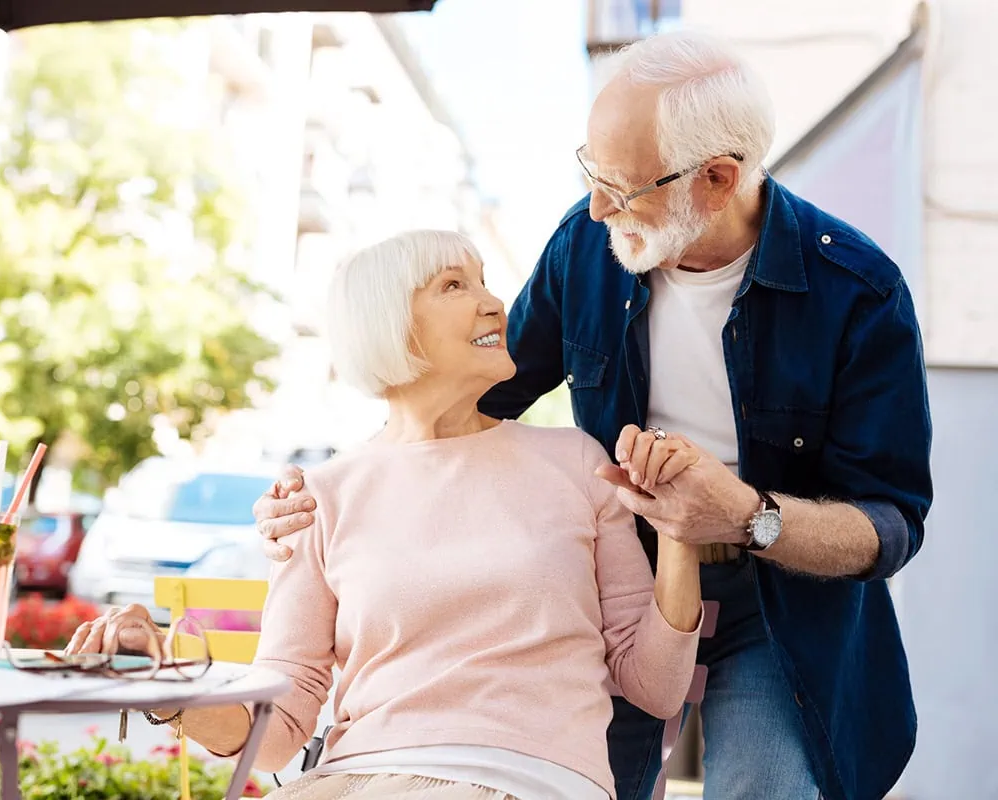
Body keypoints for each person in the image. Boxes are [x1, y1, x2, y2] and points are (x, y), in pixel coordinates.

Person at [254, 31, 933, 800]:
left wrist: (743, 516)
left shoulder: (860, 293)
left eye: (624, 185)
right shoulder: (589, 244)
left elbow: (888, 524)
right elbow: (464, 400)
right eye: (592, 171)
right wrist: (337, 504)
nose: (597, 204)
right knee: (577, 775)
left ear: (717, 179)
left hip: (783, 598)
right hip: (613, 579)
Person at [67, 229, 706, 800]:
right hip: (356, 777)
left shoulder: (576, 463)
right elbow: (279, 732)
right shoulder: (319, 495)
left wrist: (679, 530)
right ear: (392, 324)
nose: (492, 302)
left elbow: (654, 687)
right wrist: (165, 679)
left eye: (485, 281)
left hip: (528, 779)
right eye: (454, 286)